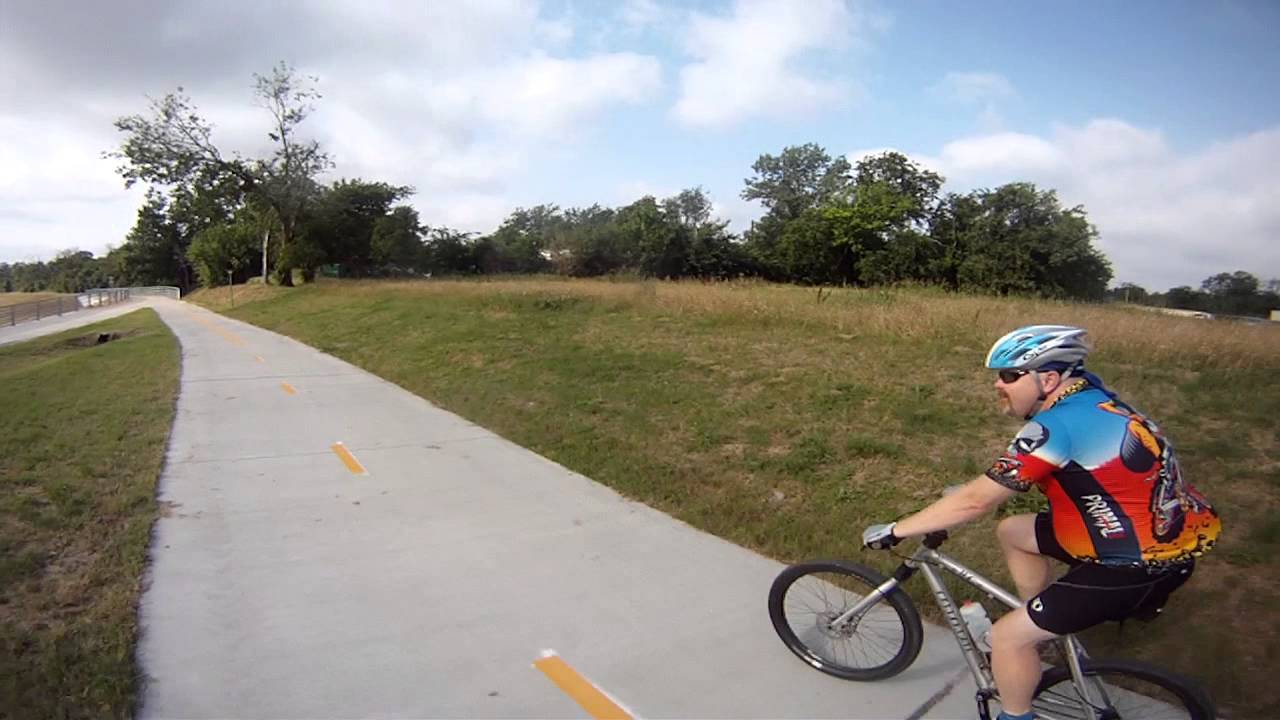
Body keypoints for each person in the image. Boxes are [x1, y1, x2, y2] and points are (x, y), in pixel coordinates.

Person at [860, 325, 1220, 720]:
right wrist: (969, 492)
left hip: (1131, 564)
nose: (998, 385)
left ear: (1048, 379)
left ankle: (1016, 712)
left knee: (1005, 639)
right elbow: (1008, 483)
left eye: (1010, 375)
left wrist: (896, 530)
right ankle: (1040, 632)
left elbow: (976, 502)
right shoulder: (1096, 401)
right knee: (1013, 531)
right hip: (1149, 538)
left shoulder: (1057, 426)